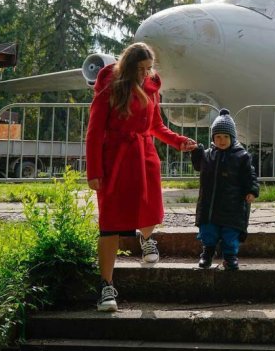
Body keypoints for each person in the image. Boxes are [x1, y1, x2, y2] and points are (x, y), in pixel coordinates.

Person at [85, 42, 198, 312]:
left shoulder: (151, 87)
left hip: (144, 157)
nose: (146, 73)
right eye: (141, 69)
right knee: (109, 223)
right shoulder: (110, 87)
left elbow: (156, 126)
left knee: (150, 211)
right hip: (115, 160)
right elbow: (94, 132)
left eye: (149, 68)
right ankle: (106, 286)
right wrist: (94, 171)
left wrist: (178, 141)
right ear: (128, 67)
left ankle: (146, 240)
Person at [191, 108, 259, 270]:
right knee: (208, 230)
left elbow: (250, 175)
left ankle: (230, 256)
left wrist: (252, 190)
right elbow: (198, 166)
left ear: (232, 137)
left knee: (230, 233)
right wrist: (196, 152)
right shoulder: (208, 154)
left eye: (226, 137)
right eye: (218, 137)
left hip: (233, 205)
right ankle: (207, 253)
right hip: (210, 204)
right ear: (213, 138)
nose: (221, 140)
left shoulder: (241, 156)